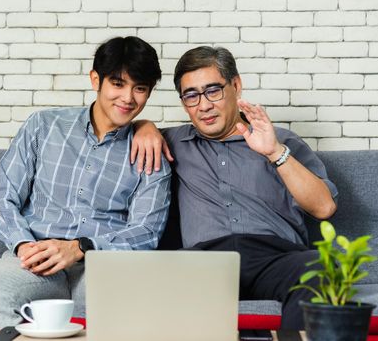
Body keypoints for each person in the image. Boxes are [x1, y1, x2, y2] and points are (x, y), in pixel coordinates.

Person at [0, 36, 172, 327]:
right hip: (35, 259)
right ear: (95, 79)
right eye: (118, 84)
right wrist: (23, 245)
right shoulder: (43, 126)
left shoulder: (149, 151)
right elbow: (2, 198)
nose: (128, 98)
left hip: (101, 265)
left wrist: (81, 247)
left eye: (140, 88)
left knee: (134, 303)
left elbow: (146, 232)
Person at [132, 46, 338, 330]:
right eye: (191, 95)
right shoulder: (173, 142)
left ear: (236, 86)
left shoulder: (282, 142)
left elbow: (324, 207)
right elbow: (120, 131)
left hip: (276, 257)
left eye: (213, 90)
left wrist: (274, 152)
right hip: (205, 261)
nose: (203, 105)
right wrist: (144, 125)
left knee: (319, 269)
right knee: (160, 275)